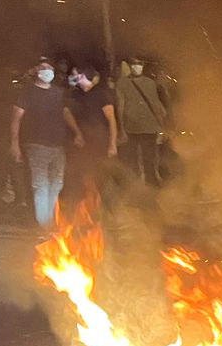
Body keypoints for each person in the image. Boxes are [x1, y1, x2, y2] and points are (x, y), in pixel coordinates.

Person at [11, 60, 83, 230]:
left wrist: (77, 132)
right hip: (36, 145)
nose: (47, 71)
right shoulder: (27, 93)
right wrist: (14, 143)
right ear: (36, 71)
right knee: (41, 186)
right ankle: (45, 225)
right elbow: (16, 118)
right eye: (43, 68)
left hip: (58, 146)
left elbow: (66, 112)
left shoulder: (58, 92)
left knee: (57, 184)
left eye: (50, 68)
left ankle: (49, 220)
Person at [66, 64, 120, 204]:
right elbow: (66, 112)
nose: (76, 79)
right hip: (83, 144)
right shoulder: (76, 95)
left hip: (100, 143)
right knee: (85, 176)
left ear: (86, 77)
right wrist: (77, 133)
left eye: (78, 76)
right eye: (74, 76)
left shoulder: (101, 94)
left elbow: (111, 120)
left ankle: (110, 212)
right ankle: (89, 211)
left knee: (103, 176)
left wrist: (112, 144)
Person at [115, 56, 168, 186]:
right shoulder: (122, 83)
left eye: (139, 63)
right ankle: (136, 189)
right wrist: (121, 129)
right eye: (133, 63)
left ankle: (151, 188)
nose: (136, 66)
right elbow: (120, 107)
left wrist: (162, 127)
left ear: (143, 65)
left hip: (149, 128)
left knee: (149, 160)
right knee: (132, 162)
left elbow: (156, 106)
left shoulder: (150, 83)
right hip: (131, 128)